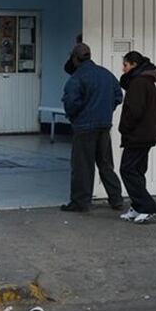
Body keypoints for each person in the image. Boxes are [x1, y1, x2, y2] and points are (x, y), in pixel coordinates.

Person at [60, 42, 125, 212]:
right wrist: (106, 110)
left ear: (75, 58)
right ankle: (116, 199)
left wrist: (74, 116)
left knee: (82, 166)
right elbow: (119, 96)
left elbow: (71, 103)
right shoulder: (106, 74)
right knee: (105, 164)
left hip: (84, 127)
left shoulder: (77, 78)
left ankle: (80, 202)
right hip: (104, 126)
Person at [117, 50, 156, 224]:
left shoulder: (138, 83)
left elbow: (133, 111)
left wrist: (124, 129)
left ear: (134, 65)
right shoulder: (147, 81)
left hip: (137, 135)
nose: (123, 69)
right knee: (137, 171)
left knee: (127, 170)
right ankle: (137, 207)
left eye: (125, 65)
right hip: (146, 134)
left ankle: (147, 206)